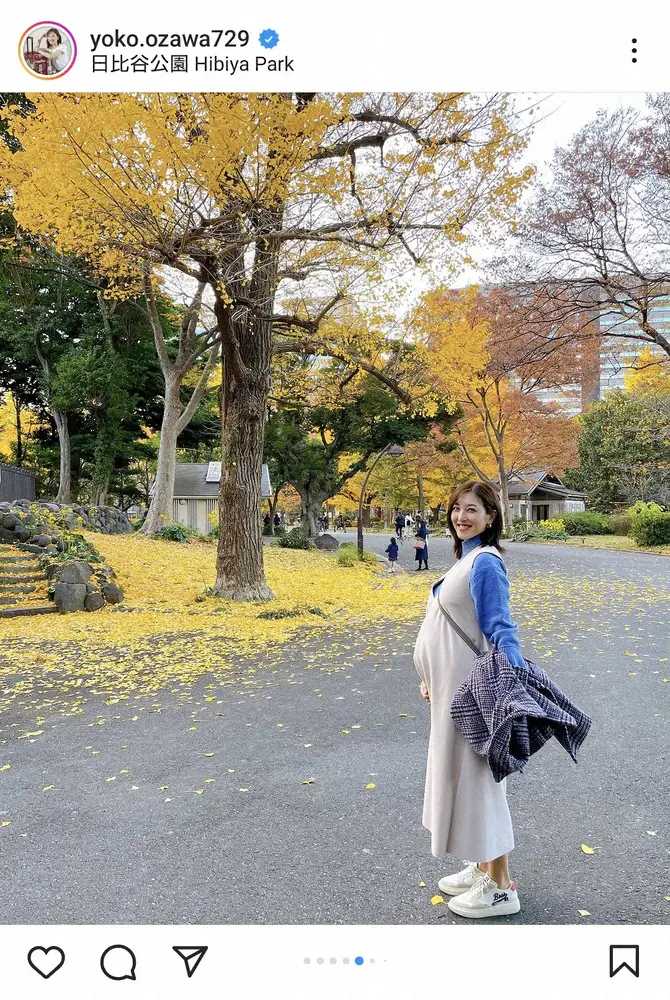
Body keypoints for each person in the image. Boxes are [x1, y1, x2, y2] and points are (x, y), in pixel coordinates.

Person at [413, 480, 527, 919]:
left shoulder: (485, 563)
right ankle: (482, 867)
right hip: (450, 691)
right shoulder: (466, 559)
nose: (461, 516)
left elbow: (501, 627)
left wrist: (510, 683)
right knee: (464, 780)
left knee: (482, 783)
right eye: (457, 508)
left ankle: (500, 887)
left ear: (491, 516)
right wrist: (428, 676)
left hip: (473, 694)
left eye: (472, 509)